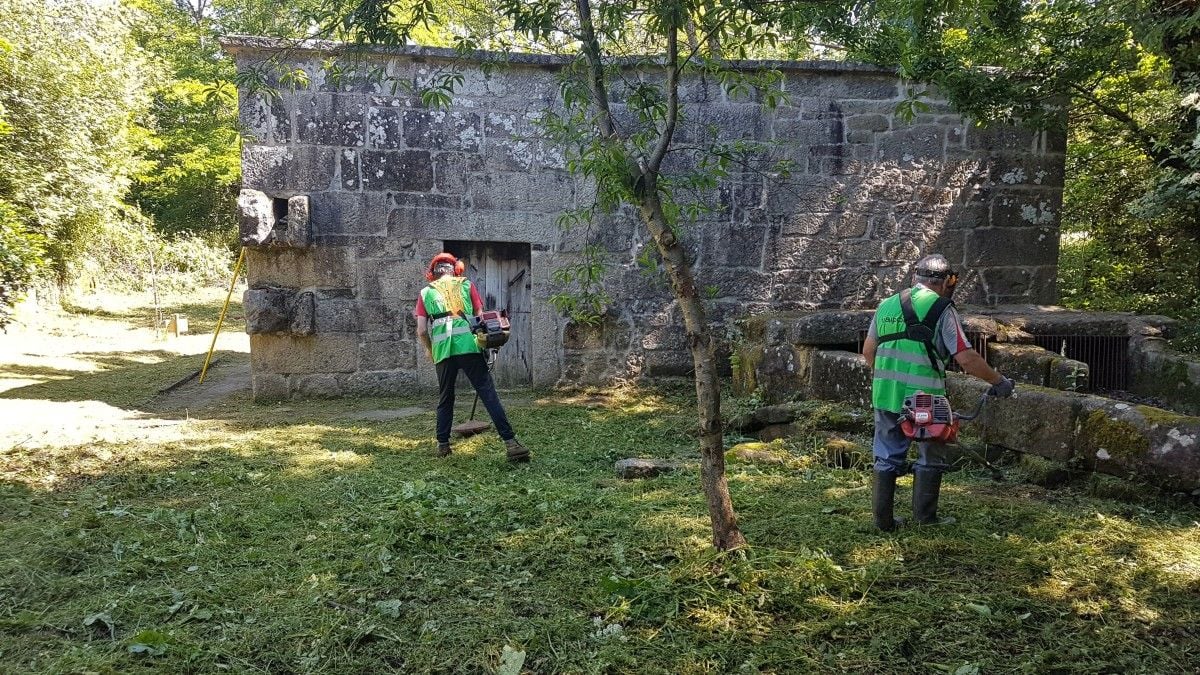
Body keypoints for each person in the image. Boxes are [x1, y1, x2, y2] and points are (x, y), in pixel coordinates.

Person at [861, 254, 1014, 530]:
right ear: (946, 282)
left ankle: (883, 523)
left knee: (886, 455)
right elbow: (966, 357)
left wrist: (889, 376)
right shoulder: (943, 309)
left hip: (885, 393)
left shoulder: (886, 306)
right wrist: (998, 380)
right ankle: (925, 519)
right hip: (925, 398)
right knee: (931, 454)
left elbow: (868, 351)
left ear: (915, 278)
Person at [414, 253, 530, 462]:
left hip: (443, 351)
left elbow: (422, 330)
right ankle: (511, 443)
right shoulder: (466, 285)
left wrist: (430, 350)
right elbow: (480, 316)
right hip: (469, 346)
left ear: (432, 274)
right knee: (488, 393)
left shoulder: (425, 293)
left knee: (445, 397)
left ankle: (443, 445)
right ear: (456, 269)